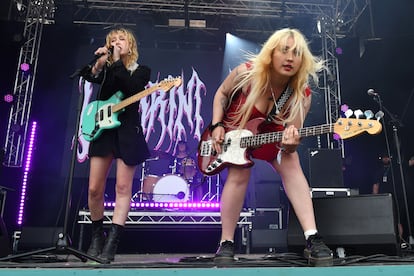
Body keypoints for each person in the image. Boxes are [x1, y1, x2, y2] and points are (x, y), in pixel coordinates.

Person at [209, 28, 333, 266]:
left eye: (296, 53)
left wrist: (290, 146)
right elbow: (222, 94)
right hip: (238, 132)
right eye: (284, 51)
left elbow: (290, 139)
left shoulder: (301, 94)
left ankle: (313, 238)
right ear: (271, 53)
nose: (290, 58)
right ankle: (226, 243)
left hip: (272, 138)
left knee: (291, 163)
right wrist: (216, 125)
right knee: (239, 172)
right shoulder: (246, 74)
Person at [82, 27, 151, 262]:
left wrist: (118, 61)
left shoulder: (141, 71)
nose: (116, 42)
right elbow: (91, 78)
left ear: (130, 45)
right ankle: (96, 235)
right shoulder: (108, 69)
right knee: (94, 189)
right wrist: (101, 63)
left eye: (121, 39)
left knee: (123, 188)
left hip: (127, 133)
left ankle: (112, 241)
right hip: (103, 132)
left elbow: (132, 90)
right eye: (112, 40)